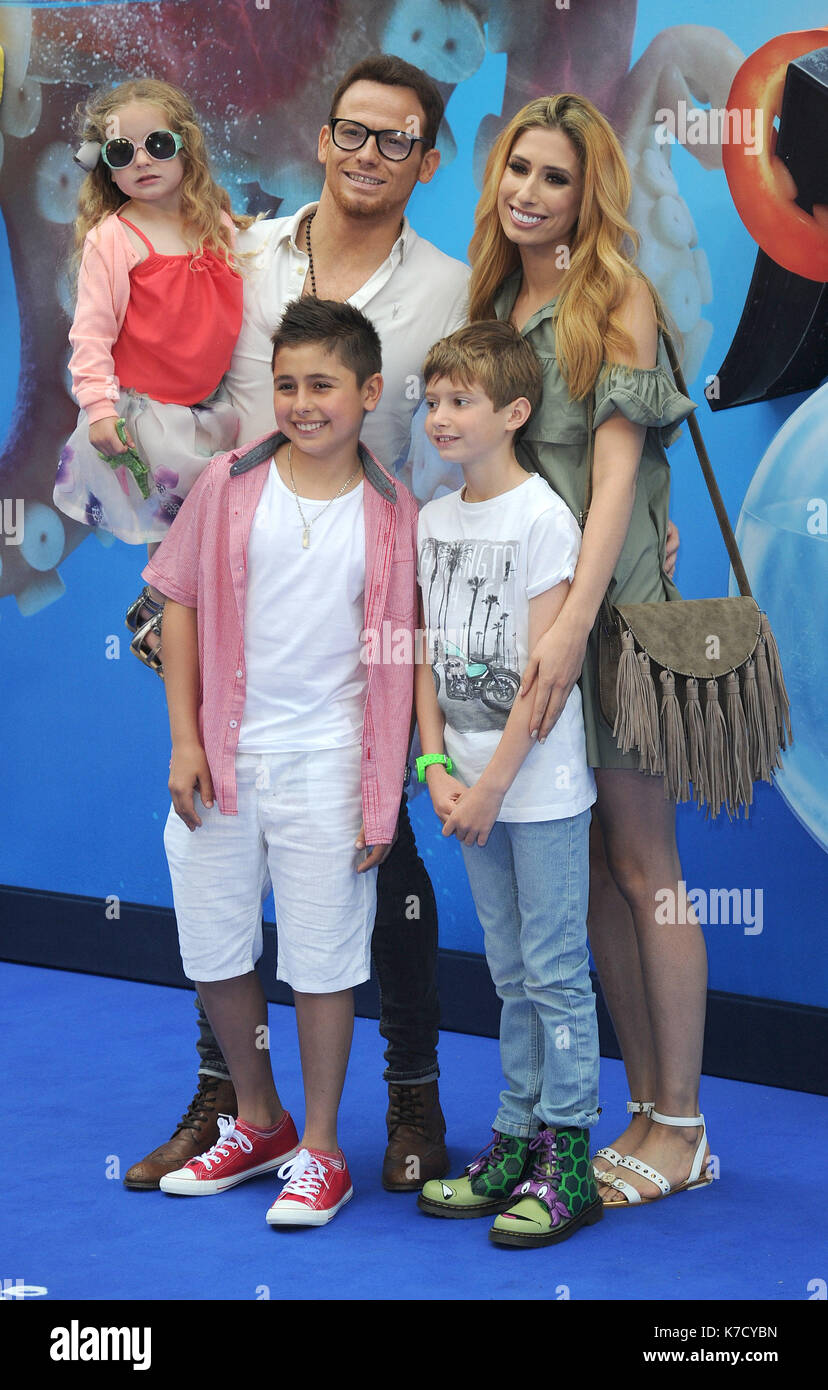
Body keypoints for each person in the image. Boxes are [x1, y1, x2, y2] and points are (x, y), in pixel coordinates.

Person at [123, 54, 469, 1195]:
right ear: (321, 138)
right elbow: (175, 382)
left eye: (399, 140)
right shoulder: (242, 250)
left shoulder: (454, 287)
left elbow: (502, 403)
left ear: (430, 158)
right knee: (216, 832)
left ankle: (408, 1096)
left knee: (389, 856)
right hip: (233, 573)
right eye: (353, 133)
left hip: (374, 606)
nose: (371, 155)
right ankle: (233, 1097)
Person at [468, 94, 711, 1206]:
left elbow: (615, 480)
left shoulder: (618, 295)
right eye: (519, 168)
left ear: (590, 191)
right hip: (528, 628)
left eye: (555, 177)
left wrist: (573, 628)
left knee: (643, 868)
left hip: (604, 626)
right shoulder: (496, 297)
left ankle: (684, 1124)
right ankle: (637, 1108)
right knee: (590, 891)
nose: (530, 192)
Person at [142, 297, 418, 1226]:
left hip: (332, 765)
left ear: (369, 392)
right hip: (225, 759)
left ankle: (325, 1148)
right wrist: (186, 739)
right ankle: (257, 1120)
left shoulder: (395, 514)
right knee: (214, 942)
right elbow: (176, 599)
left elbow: (402, 659)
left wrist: (383, 794)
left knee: (324, 958)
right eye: (288, 384)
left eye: (324, 386)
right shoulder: (227, 482)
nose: (303, 403)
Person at [413, 322, 602, 1248]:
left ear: (515, 413)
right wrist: (435, 766)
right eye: (434, 399)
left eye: (462, 402)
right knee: (509, 969)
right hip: (468, 789)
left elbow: (543, 674)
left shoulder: (543, 518)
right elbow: (421, 657)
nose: (440, 417)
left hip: (538, 791)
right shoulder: (432, 519)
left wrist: (488, 787)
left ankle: (569, 1156)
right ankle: (515, 1136)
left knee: (558, 972)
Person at [53, 78, 247, 672]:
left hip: (210, 409)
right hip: (152, 418)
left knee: (212, 534)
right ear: (106, 169)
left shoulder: (213, 219)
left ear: (186, 148)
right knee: (179, 531)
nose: (141, 160)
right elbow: (90, 334)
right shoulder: (115, 238)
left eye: (157, 144)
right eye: (121, 152)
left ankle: (168, 612)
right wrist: (99, 408)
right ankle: (165, 619)